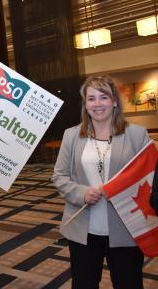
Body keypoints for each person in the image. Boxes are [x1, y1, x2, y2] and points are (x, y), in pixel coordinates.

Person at [52, 75, 150, 289]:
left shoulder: (137, 135)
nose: (97, 104)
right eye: (91, 99)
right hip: (83, 230)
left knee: (129, 284)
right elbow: (59, 176)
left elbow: (150, 177)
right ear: (85, 104)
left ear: (114, 101)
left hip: (126, 228)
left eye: (103, 97)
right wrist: (81, 193)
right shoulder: (71, 136)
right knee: (84, 285)